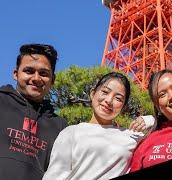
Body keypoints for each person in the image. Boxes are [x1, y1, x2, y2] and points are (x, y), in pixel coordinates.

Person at [43, 72, 155, 179]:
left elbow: (165, 131)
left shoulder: (131, 136)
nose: (109, 100)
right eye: (105, 92)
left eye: (118, 98)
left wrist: (150, 119)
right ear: (92, 94)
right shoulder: (71, 132)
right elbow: (55, 174)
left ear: (124, 107)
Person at [0, 44, 68, 179]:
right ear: (15, 74)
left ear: (52, 80)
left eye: (43, 73)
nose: (36, 78)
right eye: (29, 71)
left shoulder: (60, 126)